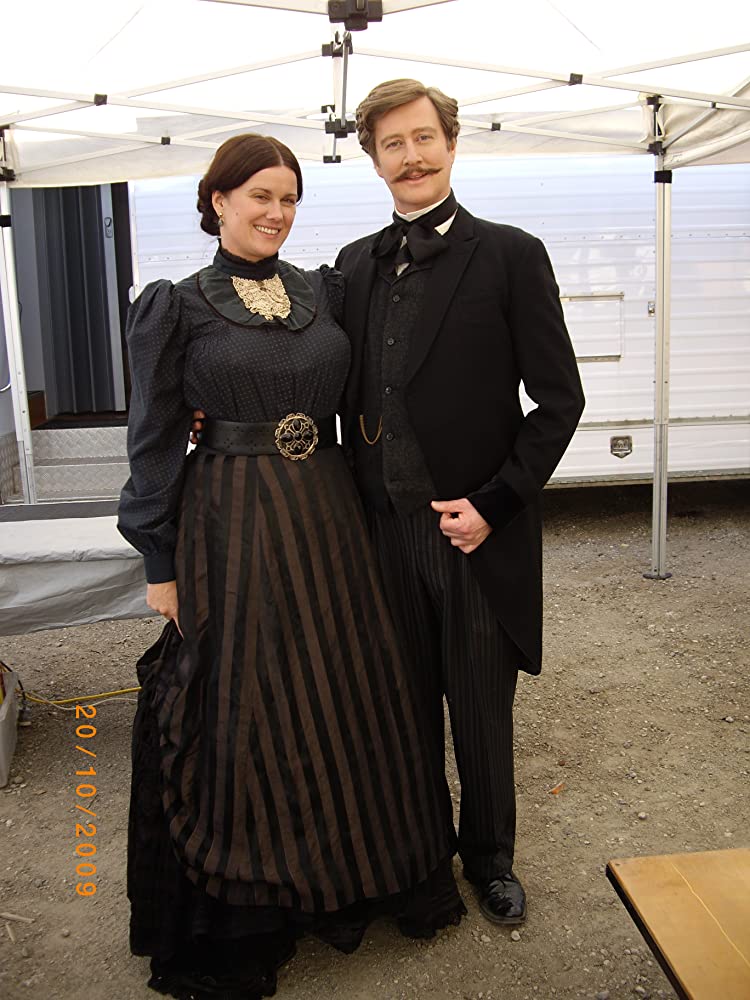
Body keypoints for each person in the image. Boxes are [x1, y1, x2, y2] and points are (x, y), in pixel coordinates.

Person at [118, 132, 465, 1000]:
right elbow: (153, 440)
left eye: (289, 198)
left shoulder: (323, 290)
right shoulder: (176, 305)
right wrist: (160, 561)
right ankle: (252, 901)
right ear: (218, 202)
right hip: (231, 519)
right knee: (250, 701)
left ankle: (354, 872)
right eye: (259, 196)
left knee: (344, 690)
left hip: (328, 514)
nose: (276, 213)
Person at [332, 79, 586, 926]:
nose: (411, 156)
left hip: (472, 536)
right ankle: (416, 855)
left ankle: (489, 858)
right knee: (400, 712)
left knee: (479, 714)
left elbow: (559, 400)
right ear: (374, 160)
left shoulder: (511, 255)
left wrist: (495, 504)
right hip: (382, 534)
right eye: (392, 144)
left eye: (423, 138)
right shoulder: (353, 267)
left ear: (450, 143)